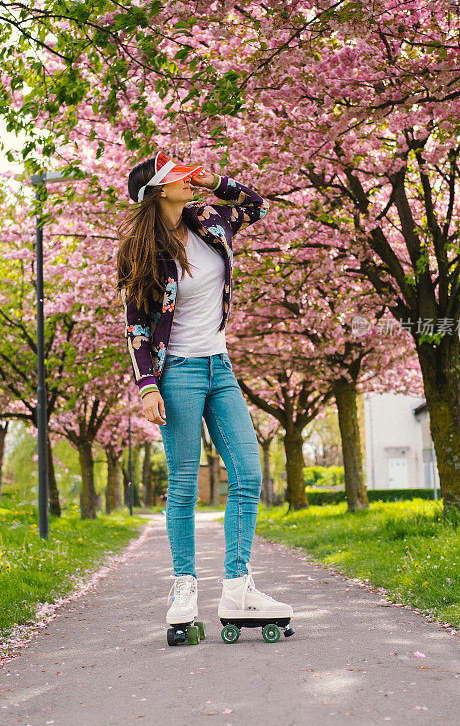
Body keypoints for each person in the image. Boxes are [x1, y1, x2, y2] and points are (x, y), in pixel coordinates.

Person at [117, 150, 293, 628]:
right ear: (157, 191)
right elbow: (135, 325)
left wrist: (217, 180)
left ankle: (237, 588)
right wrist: (148, 384)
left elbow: (257, 205)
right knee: (183, 484)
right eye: (176, 176)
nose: (187, 178)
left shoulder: (210, 220)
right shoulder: (141, 252)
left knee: (248, 473)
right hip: (178, 373)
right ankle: (184, 589)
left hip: (220, 367)